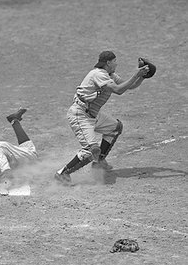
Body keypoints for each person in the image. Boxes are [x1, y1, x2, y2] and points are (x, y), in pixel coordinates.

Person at [54, 51, 149, 184]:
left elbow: (129, 86)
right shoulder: (98, 74)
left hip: (93, 114)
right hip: (80, 115)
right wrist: (136, 74)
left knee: (115, 128)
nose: (117, 63)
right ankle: (62, 173)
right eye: (115, 61)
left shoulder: (110, 75)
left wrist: (142, 76)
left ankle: (99, 162)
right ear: (108, 63)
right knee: (91, 150)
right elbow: (118, 90)